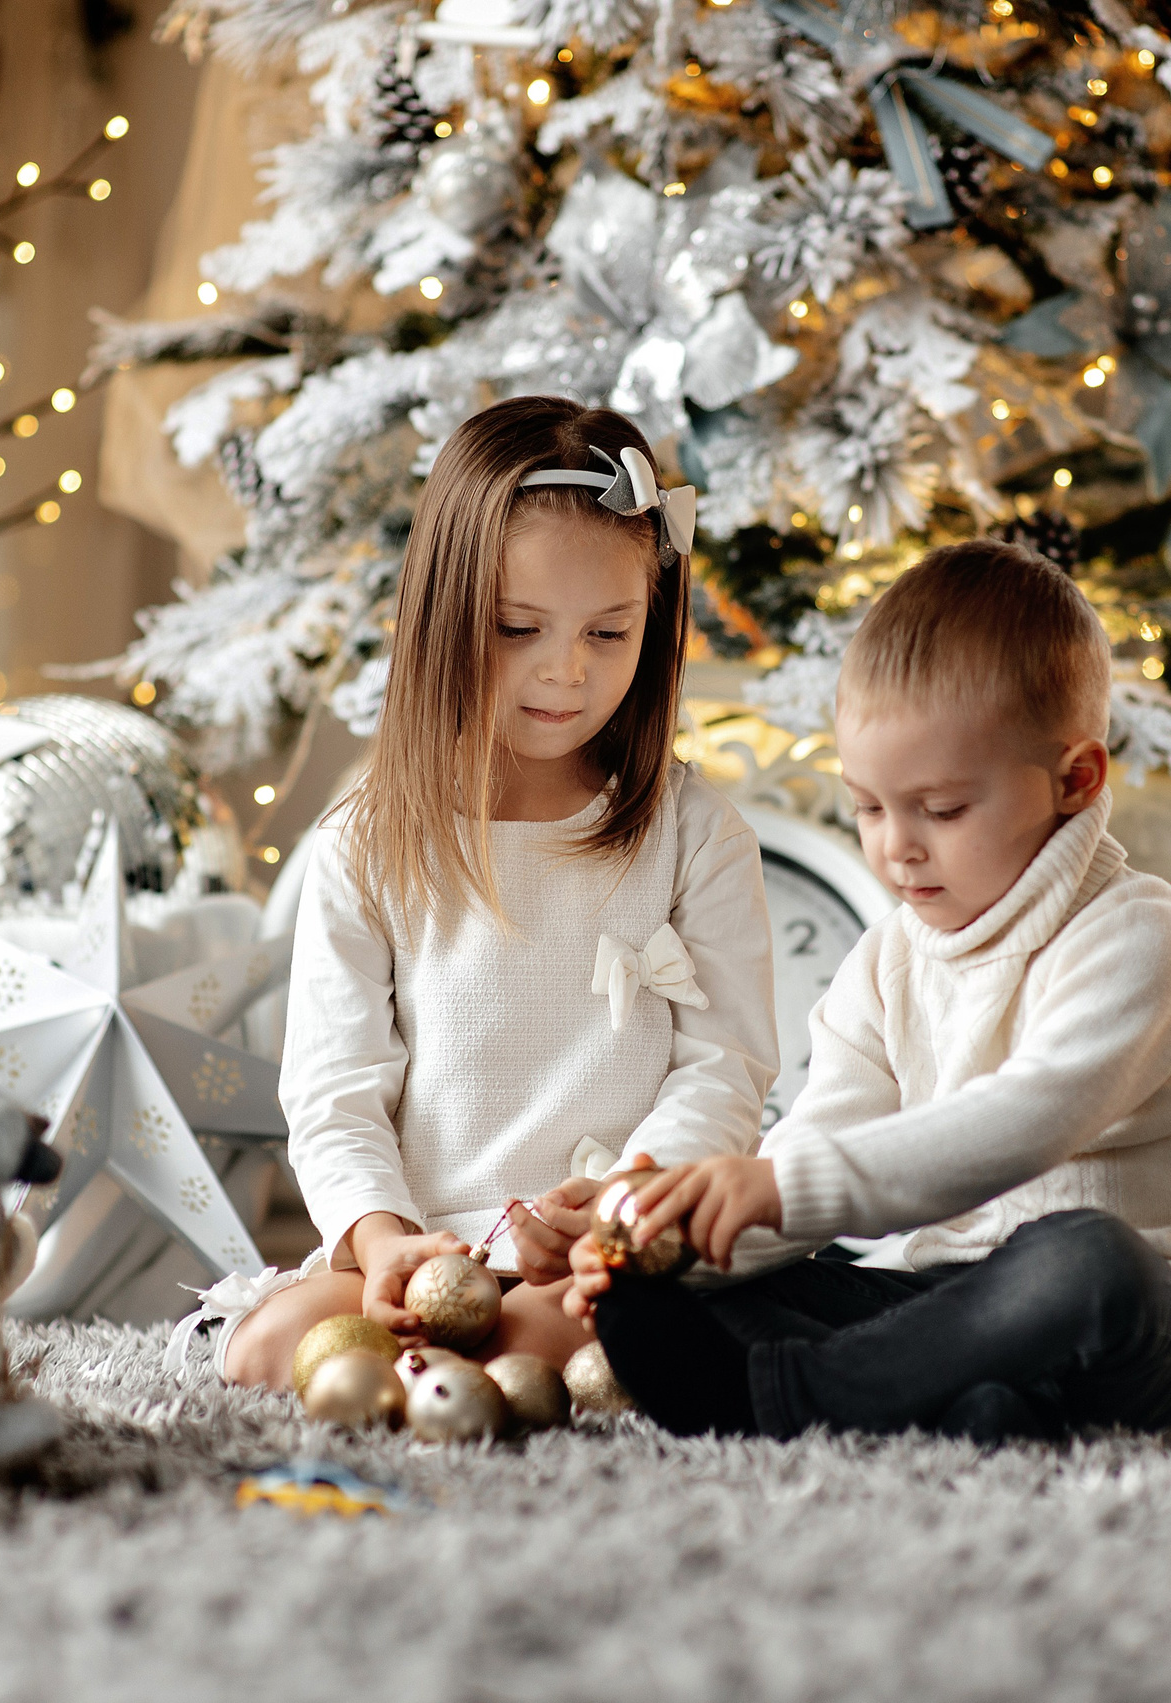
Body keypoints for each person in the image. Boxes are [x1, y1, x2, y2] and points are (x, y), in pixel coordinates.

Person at [567, 540, 1171, 1443]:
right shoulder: (885, 960)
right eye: (868, 806)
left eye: (940, 810)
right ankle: (962, 1408)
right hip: (950, 1303)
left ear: (1074, 781)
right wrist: (665, 1236)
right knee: (681, 1288)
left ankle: (804, 1395)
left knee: (1087, 1257)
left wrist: (781, 1186)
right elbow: (824, 1136)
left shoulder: (1139, 934)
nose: (896, 846)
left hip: (1152, 1329)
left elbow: (1023, 1121)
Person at [206, 396, 779, 1388]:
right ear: (448, 616)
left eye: (610, 631)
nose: (566, 671)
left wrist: (619, 1206)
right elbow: (335, 1092)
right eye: (520, 627)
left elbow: (722, 1070)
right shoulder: (365, 844)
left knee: (535, 1348)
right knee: (264, 1347)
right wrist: (384, 1244)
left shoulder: (696, 835)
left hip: (605, 1251)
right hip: (428, 1251)